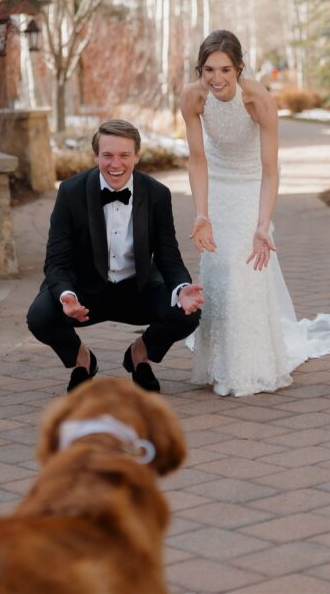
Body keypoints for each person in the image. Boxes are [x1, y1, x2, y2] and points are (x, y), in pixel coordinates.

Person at [181, 29, 330, 397]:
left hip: (252, 186)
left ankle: (250, 369)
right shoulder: (192, 97)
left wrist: (263, 223)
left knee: (243, 274)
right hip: (217, 187)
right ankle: (218, 363)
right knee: (219, 274)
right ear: (199, 70)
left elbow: (270, 169)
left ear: (239, 69)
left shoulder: (259, 100)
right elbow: (197, 159)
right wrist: (201, 214)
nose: (216, 79)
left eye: (225, 70)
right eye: (208, 70)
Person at [26, 119, 204, 393]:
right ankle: (82, 360)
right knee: (40, 317)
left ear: (137, 156)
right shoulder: (71, 192)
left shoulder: (157, 194)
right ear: (96, 155)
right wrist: (66, 296)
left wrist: (182, 288)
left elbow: (169, 256)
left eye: (124, 155)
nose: (115, 164)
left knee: (187, 314)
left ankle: (139, 355)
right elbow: (56, 261)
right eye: (107, 155)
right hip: (84, 291)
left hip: (138, 289)